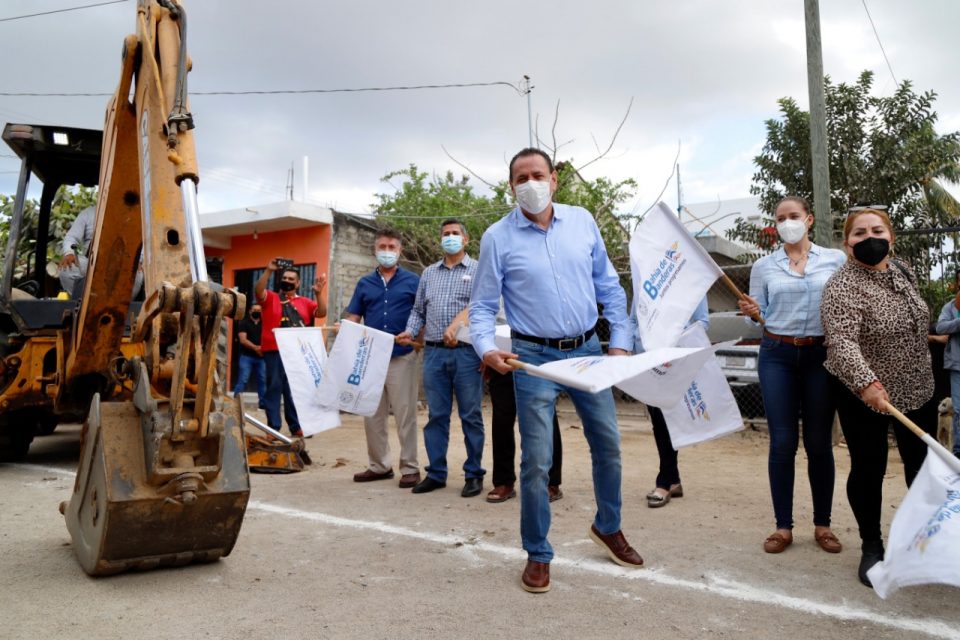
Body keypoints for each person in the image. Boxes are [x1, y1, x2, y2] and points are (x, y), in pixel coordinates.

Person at [470, 147, 641, 594]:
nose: (531, 183)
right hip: (533, 359)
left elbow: (609, 285)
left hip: (587, 350)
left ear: (554, 179)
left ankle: (609, 525)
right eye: (521, 177)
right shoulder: (496, 237)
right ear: (511, 186)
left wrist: (619, 342)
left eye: (538, 174)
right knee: (536, 462)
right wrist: (487, 349)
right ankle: (538, 552)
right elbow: (484, 307)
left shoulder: (582, 221)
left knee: (609, 446)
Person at [820, 207, 938, 587]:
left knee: (921, 467)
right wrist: (866, 382)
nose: (869, 238)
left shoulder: (903, 270)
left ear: (891, 236)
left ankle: (924, 543)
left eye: (877, 230)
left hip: (916, 384)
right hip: (866, 392)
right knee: (869, 467)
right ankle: (872, 545)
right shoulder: (841, 285)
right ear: (847, 242)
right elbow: (840, 342)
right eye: (859, 233)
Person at [737, 195, 846, 556]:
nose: (788, 222)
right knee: (782, 442)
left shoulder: (835, 259)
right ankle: (783, 526)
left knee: (818, 442)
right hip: (777, 355)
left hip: (820, 354)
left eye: (794, 216)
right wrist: (753, 311)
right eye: (781, 218)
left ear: (809, 219)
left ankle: (823, 524)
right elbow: (761, 315)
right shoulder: (764, 267)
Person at [396, 220, 485, 498]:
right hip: (433, 353)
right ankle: (436, 473)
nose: (450, 238)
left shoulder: (479, 269)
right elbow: (418, 311)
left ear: (466, 239)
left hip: (467, 354)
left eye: (455, 234)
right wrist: (410, 330)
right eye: (446, 234)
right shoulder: (429, 273)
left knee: (471, 415)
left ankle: (473, 474)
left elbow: (486, 307)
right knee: (437, 416)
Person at [344, 228, 423, 489]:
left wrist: (419, 342)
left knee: (405, 414)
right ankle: (379, 466)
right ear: (375, 250)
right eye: (382, 247)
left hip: (402, 356)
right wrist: (344, 325)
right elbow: (354, 316)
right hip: (371, 359)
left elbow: (422, 314)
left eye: (392, 247)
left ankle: (410, 467)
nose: (387, 251)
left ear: (399, 251)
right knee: (372, 414)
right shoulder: (365, 283)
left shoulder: (414, 281)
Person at [638, 299, 708, 508]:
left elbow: (702, 322)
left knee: (664, 420)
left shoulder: (691, 278)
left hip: (676, 359)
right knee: (658, 421)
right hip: (648, 360)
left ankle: (664, 483)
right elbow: (634, 320)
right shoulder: (643, 279)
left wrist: (675, 346)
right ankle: (674, 480)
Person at [255, 260, 327, 437]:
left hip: (297, 352)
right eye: (285, 277)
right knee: (274, 387)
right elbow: (258, 291)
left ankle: (296, 426)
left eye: (291, 278)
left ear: (298, 283)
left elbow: (321, 313)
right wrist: (268, 270)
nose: (287, 280)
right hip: (274, 350)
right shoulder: (270, 298)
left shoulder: (306, 303)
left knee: (294, 389)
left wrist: (319, 294)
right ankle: (273, 428)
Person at [59, 205, 143, 299]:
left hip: (122, 265)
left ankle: (119, 303)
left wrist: (137, 259)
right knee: (67, 268)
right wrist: (69, 253)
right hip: (90, 264)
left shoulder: (133, 214)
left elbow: (143, 241)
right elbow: (71, 237)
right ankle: (84, 300)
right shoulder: (88, 213)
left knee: (137, 274)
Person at [934, 276, 960, 459]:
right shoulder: (950, 307)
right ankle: (958, 452)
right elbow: (940, 327)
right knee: (959, 410)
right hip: (957, 365)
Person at [233, 302, 267, 410]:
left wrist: (262, 348)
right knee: (243, 379)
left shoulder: (265, 323)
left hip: (262, 358)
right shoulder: (244, 323)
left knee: (262, 380)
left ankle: (263, 404)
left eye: (259, 311)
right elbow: (243, 340)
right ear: (250, 311)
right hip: (246, 357)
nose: (257, 312)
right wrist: (256, 348)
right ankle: (236, 402)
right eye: (255, 310)